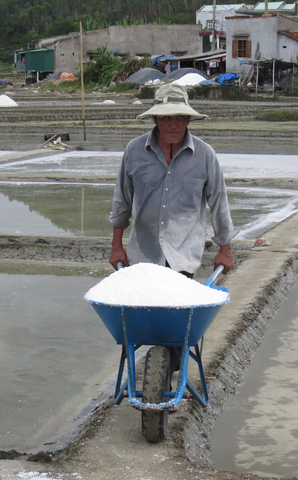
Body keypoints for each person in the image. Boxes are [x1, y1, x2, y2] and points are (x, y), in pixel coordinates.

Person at [109, 82, 236, 373]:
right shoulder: (134, 151)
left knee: (175, 322)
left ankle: (166, 378)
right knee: (150, 318)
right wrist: (117, 246)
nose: (173, 124)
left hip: (184, 252)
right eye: (166, 117)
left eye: (179, 117)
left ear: (188, 119)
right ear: (155, 119)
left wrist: (224, 250)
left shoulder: (204, 155)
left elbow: (219, 203)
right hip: (144, 252)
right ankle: (159, 374)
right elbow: (121, 202)